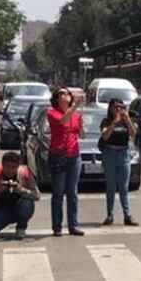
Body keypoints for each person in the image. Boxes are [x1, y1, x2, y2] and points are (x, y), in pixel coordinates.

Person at [47, 87, 85, 236]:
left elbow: (82, 135)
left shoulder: (75, 115)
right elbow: (63, 121)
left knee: (72, 192)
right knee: (58, 192)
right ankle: (57, 226)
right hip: (59, 155)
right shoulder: (52, 112)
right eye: (62, 93)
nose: (67, 95)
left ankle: (73, 225)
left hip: (74, 155)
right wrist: (75, 105)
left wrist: (82, 125)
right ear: (57, 98)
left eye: (68, 93)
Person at [0, 151, 41, 240]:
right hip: (0, 211)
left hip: (19, 208)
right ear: (2, 165)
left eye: (13, 167)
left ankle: (21, 227)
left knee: (28, 204)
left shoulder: (25, 173)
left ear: (18, 166)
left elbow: (37, 195)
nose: (10, 170)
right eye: (7, 167)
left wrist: (21, 190)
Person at [100, 98, 138, 226]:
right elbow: (105, 136)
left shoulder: (125, 121)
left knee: (124, 187)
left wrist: (127, 120)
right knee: (111, 186)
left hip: (123, 154)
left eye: (121, 107)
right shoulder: (106, 121)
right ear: (110, 109)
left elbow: (133, 134)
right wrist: (114, 123)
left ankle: (127, 215)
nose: (119, 110)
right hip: (110, 154)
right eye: (116, 107)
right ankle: (109, 214)